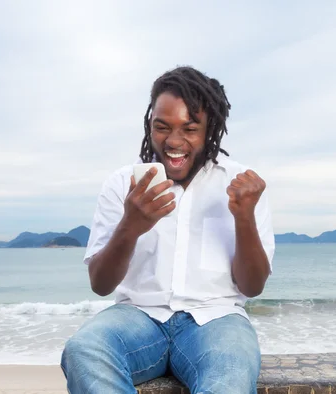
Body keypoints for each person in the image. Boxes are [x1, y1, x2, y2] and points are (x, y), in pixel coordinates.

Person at [61, 66, 275, 393]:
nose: (173, 141)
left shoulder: (242, 185)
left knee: (230, 373)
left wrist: (243, 218)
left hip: (216, 319)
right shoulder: (122, 184)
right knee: (84, 350)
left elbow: (253, 285)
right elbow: (100, 285)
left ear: (210, 129)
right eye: (162, 127)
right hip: (137, 318)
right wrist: (130, 227)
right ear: (150, 125)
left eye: (189, 129)